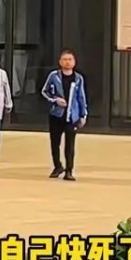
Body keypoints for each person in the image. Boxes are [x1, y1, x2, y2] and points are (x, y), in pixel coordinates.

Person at [41, 49, 88, 182]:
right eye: (65, 59)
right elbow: (45, 92)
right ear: (60, 62)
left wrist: (83, 115)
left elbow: (81, 97)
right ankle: (57, 166)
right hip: (56, 115)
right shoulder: (54, 76)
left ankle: (69, 170)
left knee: (70, 144)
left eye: (70, 59)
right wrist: (55, 100)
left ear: (74, 62)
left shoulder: (78, 78)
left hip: (72, 116)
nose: (67, 62)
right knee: (55, 142)